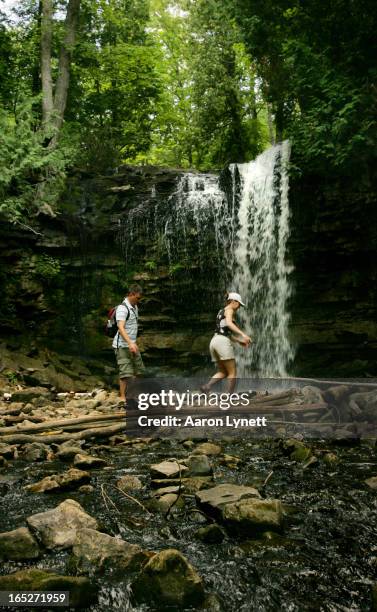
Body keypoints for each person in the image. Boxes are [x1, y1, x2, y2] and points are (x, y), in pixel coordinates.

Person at [201, 292, 252, 393]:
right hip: (222, 343)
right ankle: (229, 397)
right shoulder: (229, 310)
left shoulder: (221, 311)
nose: (239, 307)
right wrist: (243, 335)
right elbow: (229, 324)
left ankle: (207, 386)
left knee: (223, 372)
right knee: (232, 373)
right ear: (233, 301)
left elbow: (224, 331)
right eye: (239, 304)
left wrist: (238, 341)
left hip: (214, 341)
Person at [112, 284, 145, 405]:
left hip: (132, 344)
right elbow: (120, 327)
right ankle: (122, 397)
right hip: (121, 345)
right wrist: (130, 342)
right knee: (125, 373)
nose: (139, 300)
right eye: (137, 298)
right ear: (131, 294)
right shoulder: (122, 308)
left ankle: (131, 395)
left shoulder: (134, 307)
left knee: (140, 371)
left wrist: (133, 343)